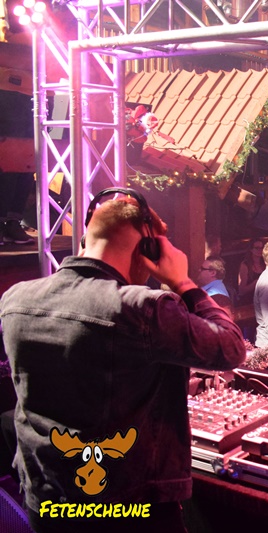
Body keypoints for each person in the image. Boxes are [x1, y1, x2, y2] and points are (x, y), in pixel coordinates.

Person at [0, 192, 245, 531]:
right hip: (126, 508)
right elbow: (231, 348)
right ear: (147, 250)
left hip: (45, 500)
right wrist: (183, 282)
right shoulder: (140, 307)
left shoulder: (15, 299)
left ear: (85, 239)